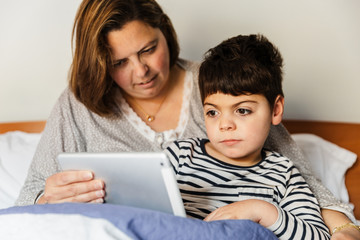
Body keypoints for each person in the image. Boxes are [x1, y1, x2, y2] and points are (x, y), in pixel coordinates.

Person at [15, 0, 359, 238]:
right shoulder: (79, 105)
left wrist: (343, 231)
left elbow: (307, 187)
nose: (142, 71)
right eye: (119, 63)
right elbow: (26, 203)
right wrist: (46, 202)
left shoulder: (221, 85)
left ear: (165, 31)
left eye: (148, 49)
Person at [165, 34, 331, 239]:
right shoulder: (179, 155)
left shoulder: (283, 175)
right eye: (212, 112)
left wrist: (261, 211)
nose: (225, 125)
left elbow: (319, 236)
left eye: (242, 111)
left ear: (276, 109)